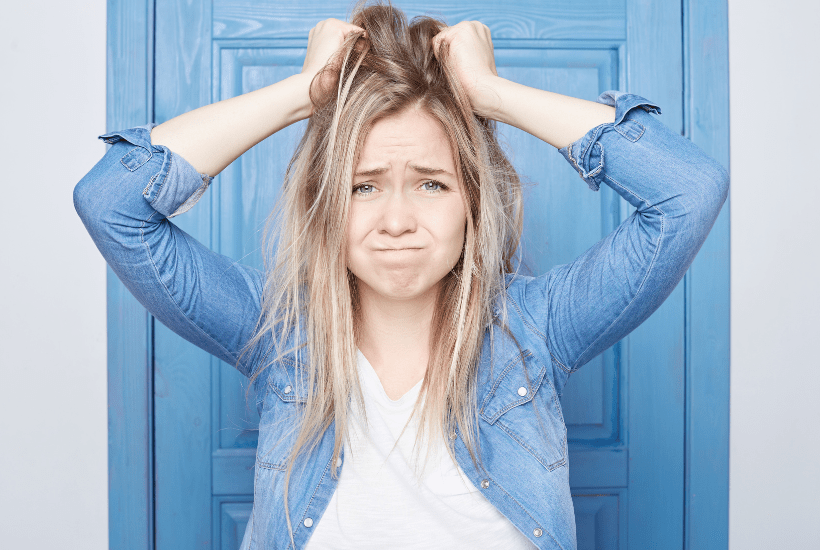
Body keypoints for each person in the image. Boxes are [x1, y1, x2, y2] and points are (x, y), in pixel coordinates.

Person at [74, 3, 729, 549]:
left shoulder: (538, 328)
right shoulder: (277, 333)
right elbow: (112, 203)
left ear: (473, 202)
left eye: (431, 183)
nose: (397, 221)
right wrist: (304, 93)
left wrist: (490, 96)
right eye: (362, 187)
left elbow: (688, 191)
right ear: (325, 202)